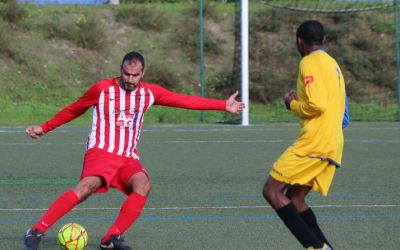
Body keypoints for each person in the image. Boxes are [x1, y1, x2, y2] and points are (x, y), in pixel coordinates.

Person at [23, 51, 246, 250]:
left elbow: (183, 100)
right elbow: (74, 109)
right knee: (86, 187)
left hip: (127, 156)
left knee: (143, 184)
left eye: (135, 75)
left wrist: (222, 105)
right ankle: (37, 230)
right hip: (101, 150)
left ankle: (111, 237)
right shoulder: (102, 89)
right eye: (127, 74)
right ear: (121, 70)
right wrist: (45, 127)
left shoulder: (150, 93)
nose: (130, 79)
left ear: (143, 73)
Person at [262, 20, 349, 250]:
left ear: (299, 41)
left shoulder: (308, 62)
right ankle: (325, 247)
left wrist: (292, 104)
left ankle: (316, 248)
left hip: (315, 141)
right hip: (333, 141)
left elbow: (317, 105)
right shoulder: (332, 63)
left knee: (272, 191)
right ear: (324, 41)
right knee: (295, 198)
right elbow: (343, 110)